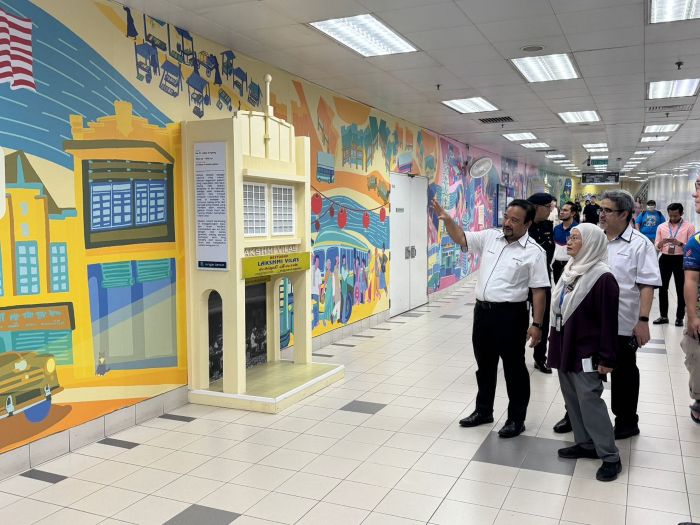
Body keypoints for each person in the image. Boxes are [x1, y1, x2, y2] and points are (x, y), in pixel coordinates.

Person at [433, 197, 549, 438]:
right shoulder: (490, 237)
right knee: (484, 366)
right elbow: (461, 238)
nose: (507, 223)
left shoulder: (534, 252)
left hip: (511, 316)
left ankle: (516, 419)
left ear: (527, 224)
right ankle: (483, 411)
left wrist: (537, 324)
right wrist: (448, 220)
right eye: (506, 217)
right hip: (482, 313)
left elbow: (539, 290)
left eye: (514, 220)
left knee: (514, 369)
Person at [553, 190, 661, 438]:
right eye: (601, 209)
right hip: (586, 322)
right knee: (579, 371)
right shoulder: (592, 238)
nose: (601, 214)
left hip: (621, 322)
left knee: (623, 371)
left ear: (625, 214)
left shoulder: (639, 244)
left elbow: (647, 284)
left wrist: (643, 320)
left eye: (607, 210)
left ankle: (626, 421)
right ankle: (574, 415)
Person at [548, 223, 621, 482]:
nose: (569, 242)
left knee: (590, 400)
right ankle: (585, 443)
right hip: (565, 344)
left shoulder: (603, 278)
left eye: (576, 238)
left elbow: (609, 323)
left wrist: (607, 358)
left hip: (586, 350)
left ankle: (610, 456)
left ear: (590, 243)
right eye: (569, 237)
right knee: (572, 399)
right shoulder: (571, 269)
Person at [527, 193, 556, 374]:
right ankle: (514, 355)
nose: (551, 210)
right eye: (548, 207)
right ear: (537, 207)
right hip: (522, 282)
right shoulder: (523, 226)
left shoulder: (548, 226)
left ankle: (540, 358)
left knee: (543, 320)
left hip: (543, 281)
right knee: (518, 319)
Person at [654, 203, 695, 326]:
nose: (672, 218)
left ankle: (679, 318)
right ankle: (663, 316)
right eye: (670, 215)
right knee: (662, 288)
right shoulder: (661, 227)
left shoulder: (689, 227)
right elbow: (656, 245)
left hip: (680, 259)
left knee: (680, 289)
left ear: (681, 214)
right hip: (665, 259)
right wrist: (662, 243)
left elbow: (691, 248)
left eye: (675, 216)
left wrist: (679, 243)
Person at [682, 179, 700, 422]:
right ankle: (699, 398)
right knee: (696, 355)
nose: (695, 195)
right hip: (699, 311)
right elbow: (691, 280)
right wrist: (693, 316)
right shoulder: (696, 242)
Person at [552, 201, 579, 284]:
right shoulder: (556, 228)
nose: (561, 212)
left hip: (571, 265)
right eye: (561, 210)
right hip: (557, 265)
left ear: (573, 213)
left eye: (565, 210)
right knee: (557, 288)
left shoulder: (578, 229)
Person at [311, 255, 322, 329]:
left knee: (316, 308)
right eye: (317, 261)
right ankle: (312, 322)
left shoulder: (319, 271)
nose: (318, 263)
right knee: (311, 308)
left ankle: (316, 322)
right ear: (315, 262)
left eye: (319, 262)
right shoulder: (311, 269)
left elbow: (319, 284)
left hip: (316, 293)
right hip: (310, 292)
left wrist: (320, 294)